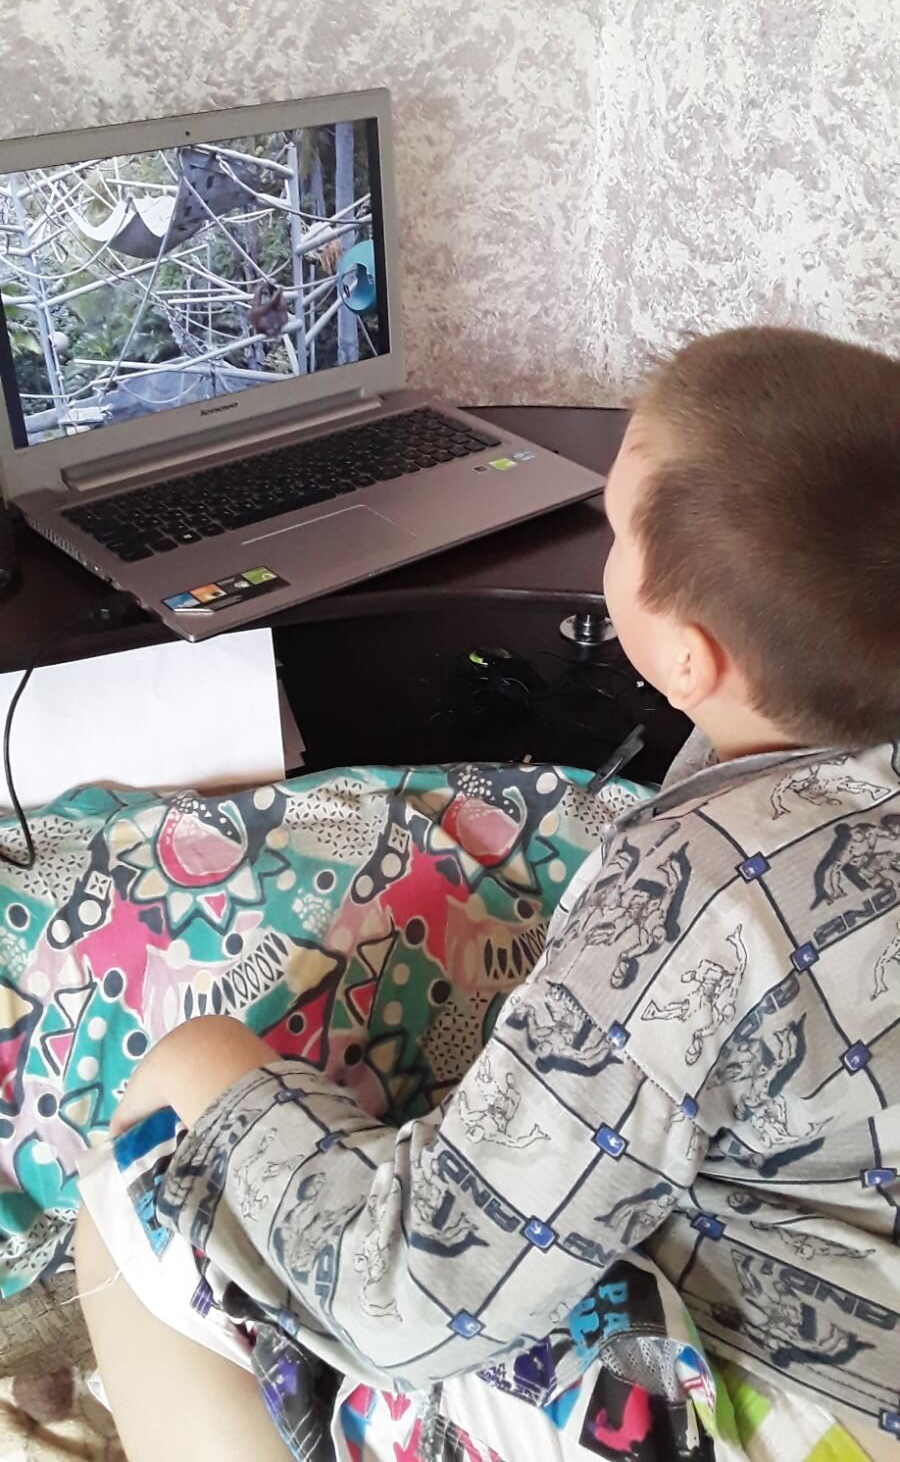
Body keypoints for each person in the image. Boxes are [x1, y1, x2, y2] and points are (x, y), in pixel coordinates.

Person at [75, 326, 900, 1460]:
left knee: (145, 1164)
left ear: (690, 658)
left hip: (795, 1408)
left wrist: (203, 1066)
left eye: (614, 529)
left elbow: (414, 1302)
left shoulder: (697, 900)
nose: (603, 539)